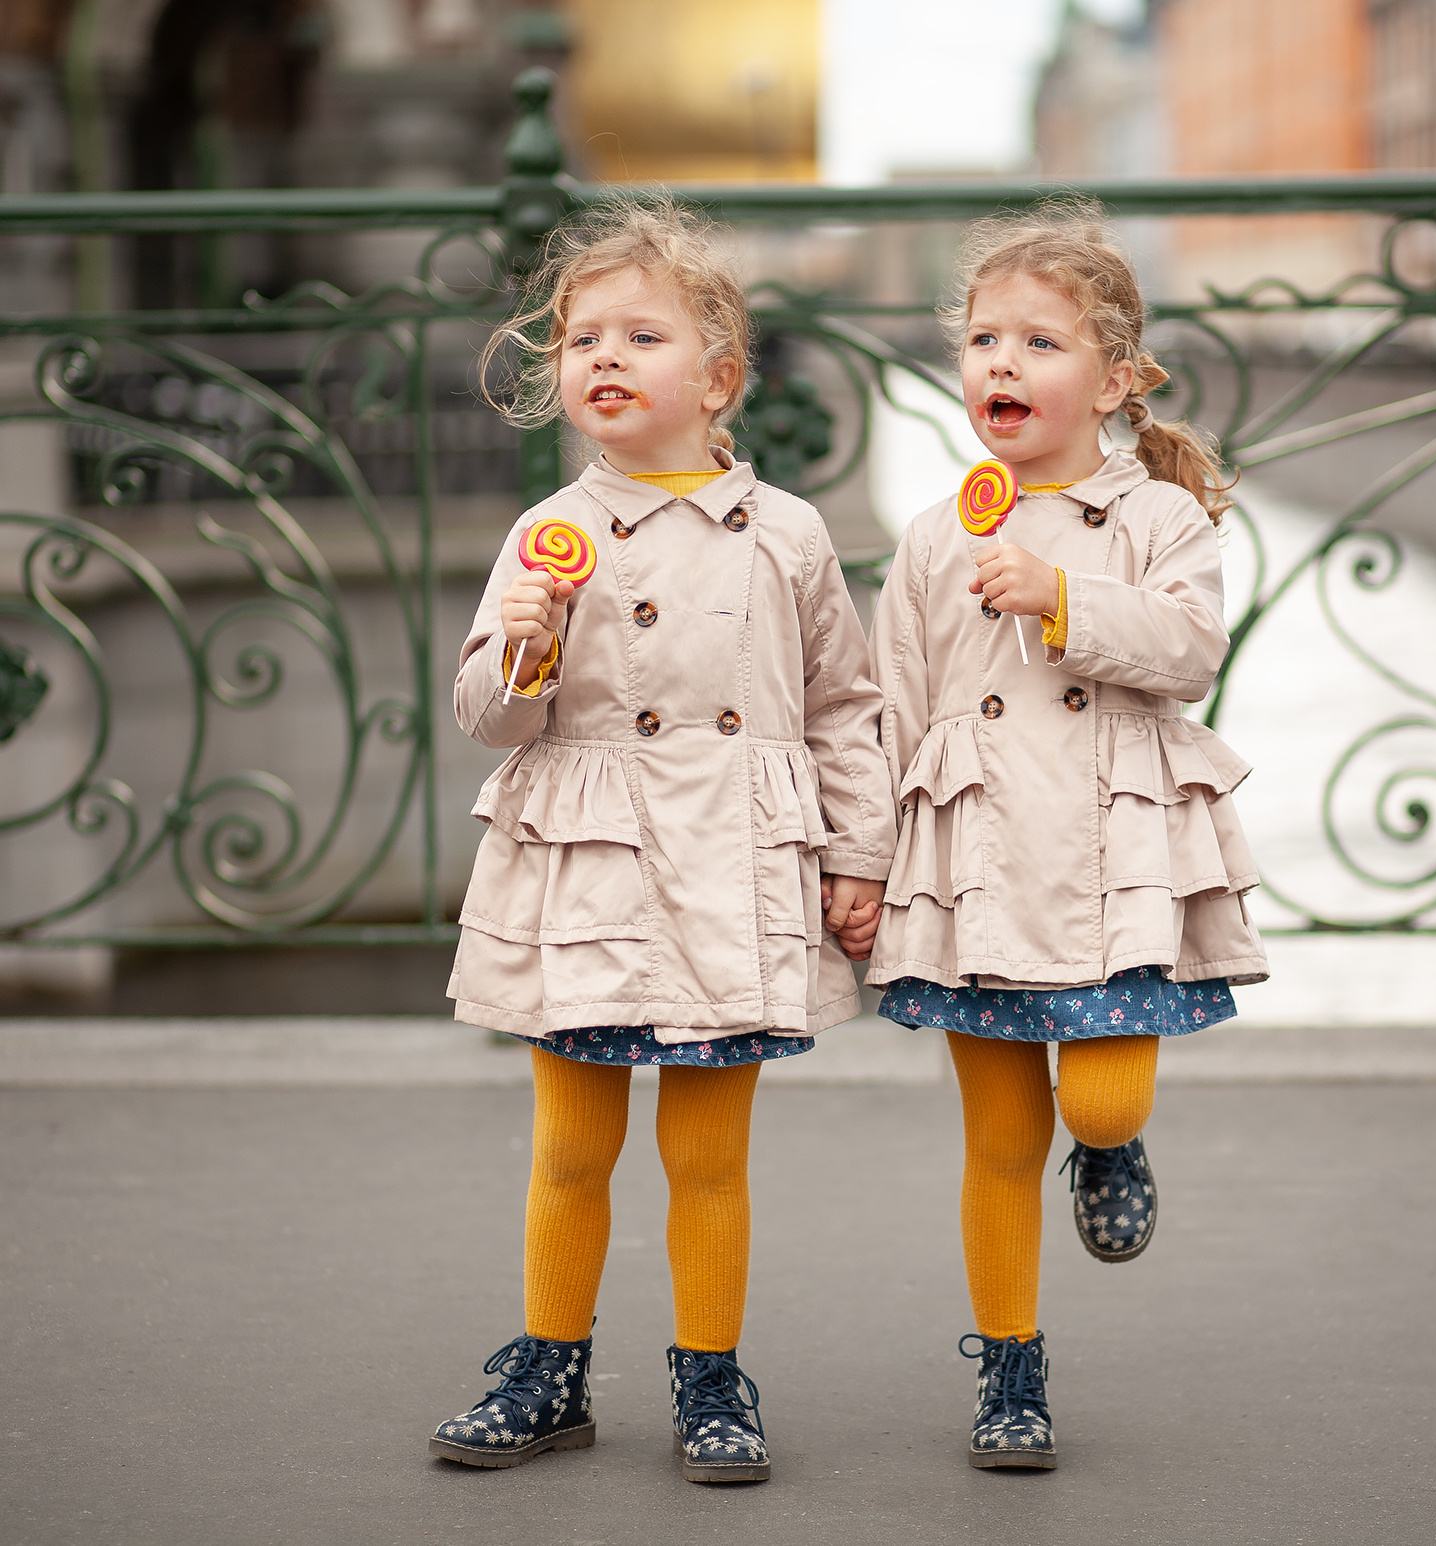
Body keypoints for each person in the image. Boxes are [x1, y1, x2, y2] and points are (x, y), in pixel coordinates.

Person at [428, 196, 894, 1482]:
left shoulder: (787, 534)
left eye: (642, 334)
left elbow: (847, 706)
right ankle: (548, 1365)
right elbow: (488, 717)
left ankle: (708, 1375)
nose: (605, 358)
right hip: (587, 866)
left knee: (706, 1153)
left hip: (729, 868)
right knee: (571, 1146)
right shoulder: (543, 536)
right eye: (582, 339)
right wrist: (527, 636)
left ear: (720, 376)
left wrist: (857, 858)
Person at [857, 201, 1269, 1469]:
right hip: (973, 868)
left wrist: (1064, 597)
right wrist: (866, 866)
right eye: (984, 339)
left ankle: (1114, 1145)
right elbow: (889, 706)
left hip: (1113, 858)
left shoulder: (1157, 519)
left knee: (1095, 1098)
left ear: (1116, 380)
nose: (1002, 363)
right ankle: (1011, 1366)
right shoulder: (935, 535)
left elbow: (1190, 652)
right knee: (996, 1137)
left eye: (1040, 343)